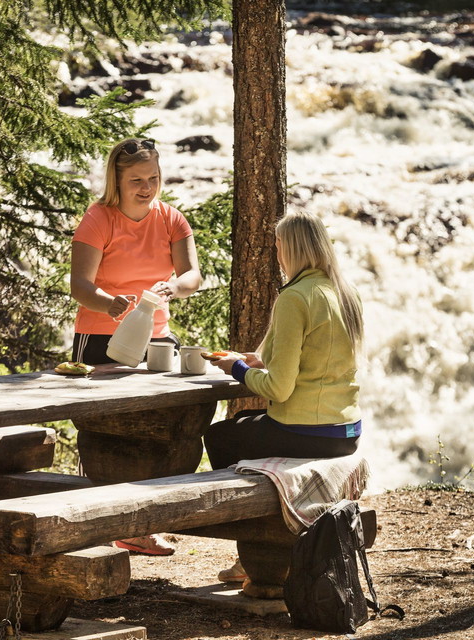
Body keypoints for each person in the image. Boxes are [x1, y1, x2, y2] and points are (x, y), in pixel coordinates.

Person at [205, 211, 363, 582]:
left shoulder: (295, 297)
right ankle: (268, 540)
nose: (276, 254)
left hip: (308, 430)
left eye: (278, 246)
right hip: (346, 431)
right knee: (242, 424)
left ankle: (258, 548)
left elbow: (279, 389)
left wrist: (236, 369)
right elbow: (319, 357)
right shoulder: (344, 292)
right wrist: (259, 360)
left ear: (290, 249)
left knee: (219, 436)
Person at [70, 138, 201, 556]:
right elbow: (80, 286)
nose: (147, 188)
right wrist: (109, 304)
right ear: (117, 180)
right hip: (100, 337)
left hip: (156, 335)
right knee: (106, 432)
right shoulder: (98, 218)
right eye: (136, 180)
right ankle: (101, 524)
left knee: (166, 427)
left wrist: (174, 287)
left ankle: (143, 523)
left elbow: (192, 275)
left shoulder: (171, 219)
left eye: (153, 178)